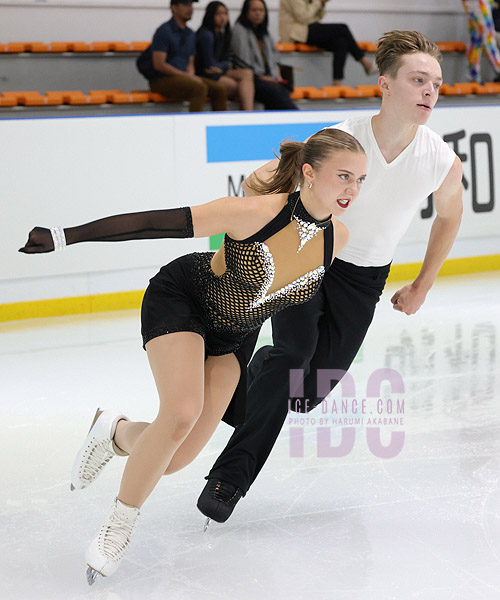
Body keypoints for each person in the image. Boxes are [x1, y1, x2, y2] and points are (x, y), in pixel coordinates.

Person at [19, 128, 367, 583]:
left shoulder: (336, 238)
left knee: (176, 457)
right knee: (181, 412)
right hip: (183, 299)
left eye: (360, 180)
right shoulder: (256, 212)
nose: (352, 190)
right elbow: (155, 223)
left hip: (232, 337)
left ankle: (116, 433)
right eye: (343, 176)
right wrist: (65, 236)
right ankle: (118, 527)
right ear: (308, 172)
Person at [196, 30, 464, 526]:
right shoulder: (344, 137)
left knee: (305, 393)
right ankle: (229, 479)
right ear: (384, 84)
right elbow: (261, 181)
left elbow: (450, 216)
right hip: (309, 256)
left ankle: (244, 381)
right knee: (291, 357)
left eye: (436, 82)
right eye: (418, 79)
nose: (430, 90)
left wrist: (423, 283)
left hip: (366, 279)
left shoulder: (439, 161)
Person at [141, 0, 227, 112]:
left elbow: (190, 61)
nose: (190, 9)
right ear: (173, 7)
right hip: (162, 79)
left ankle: (218, 125)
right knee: (198, 88)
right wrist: (185, 75)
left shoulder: (190, 33)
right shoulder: (164, 31)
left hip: (184, 77)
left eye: (191, 5)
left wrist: (190, 75)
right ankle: (195, 124)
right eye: (185, 5)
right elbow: (159, 64)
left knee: (219, 89)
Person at [279, 0, 377, 85]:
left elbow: (316, 18)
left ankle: (337, 82)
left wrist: (322, 4)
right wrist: (318, 2)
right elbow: (303, 17)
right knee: (342, 28)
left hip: (305, 31)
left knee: (341, 42)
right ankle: (365, 63)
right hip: (294, 33)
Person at [231, 0, 298, 110]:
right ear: (246, 12)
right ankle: (296, 116)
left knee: (280, 91)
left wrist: (277, 75)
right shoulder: (239, 30)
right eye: (254, 10)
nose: (258, 13)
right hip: (252, 79)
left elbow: (275, 57)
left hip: (269, 78)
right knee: (275, 92)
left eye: (261, 10)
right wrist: (266, 78)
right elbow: (243, 62)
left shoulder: (264, 32)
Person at [196, 1, 255, 110]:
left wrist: (223, 66)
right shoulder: (206, 35)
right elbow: (210, 66)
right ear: (210, 15)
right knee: (240, 88)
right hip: (205, 74)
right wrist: (224, 65)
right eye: (218, 14)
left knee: (247, 73)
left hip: (219, 72)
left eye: (225, 14)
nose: (222, 18)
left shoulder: (224, 34)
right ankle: (247, 113)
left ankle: (249, 112)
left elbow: (225, 62)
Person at [462, 0, 500, 82]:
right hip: (478, 3)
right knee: (487, 37)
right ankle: (498, 68)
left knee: (475, 40)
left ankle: (473, 76)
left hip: (474, 4)